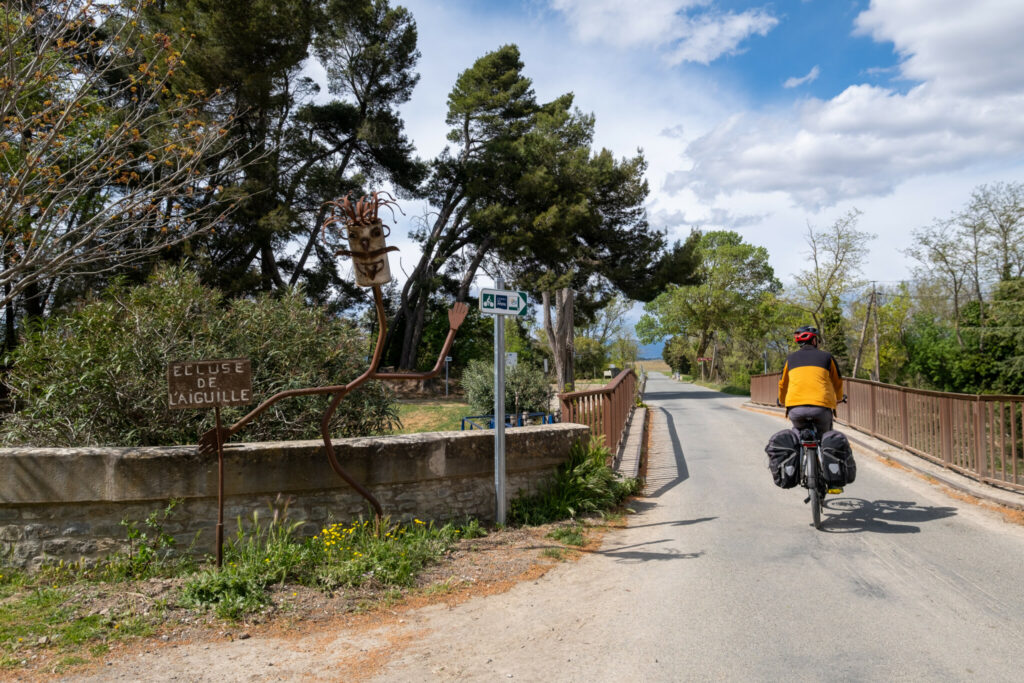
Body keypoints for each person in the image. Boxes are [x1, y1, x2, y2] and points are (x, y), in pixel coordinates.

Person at [777, 325, 844, 435]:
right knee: (826, 435)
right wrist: (840, 397)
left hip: (796, 408)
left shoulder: (790, 359)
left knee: (797, 431)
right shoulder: (827, 357)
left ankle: (797, 445)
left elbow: (783, 384)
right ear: (813, 340)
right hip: (821, 407)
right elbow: (837, 381)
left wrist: (781, 401)